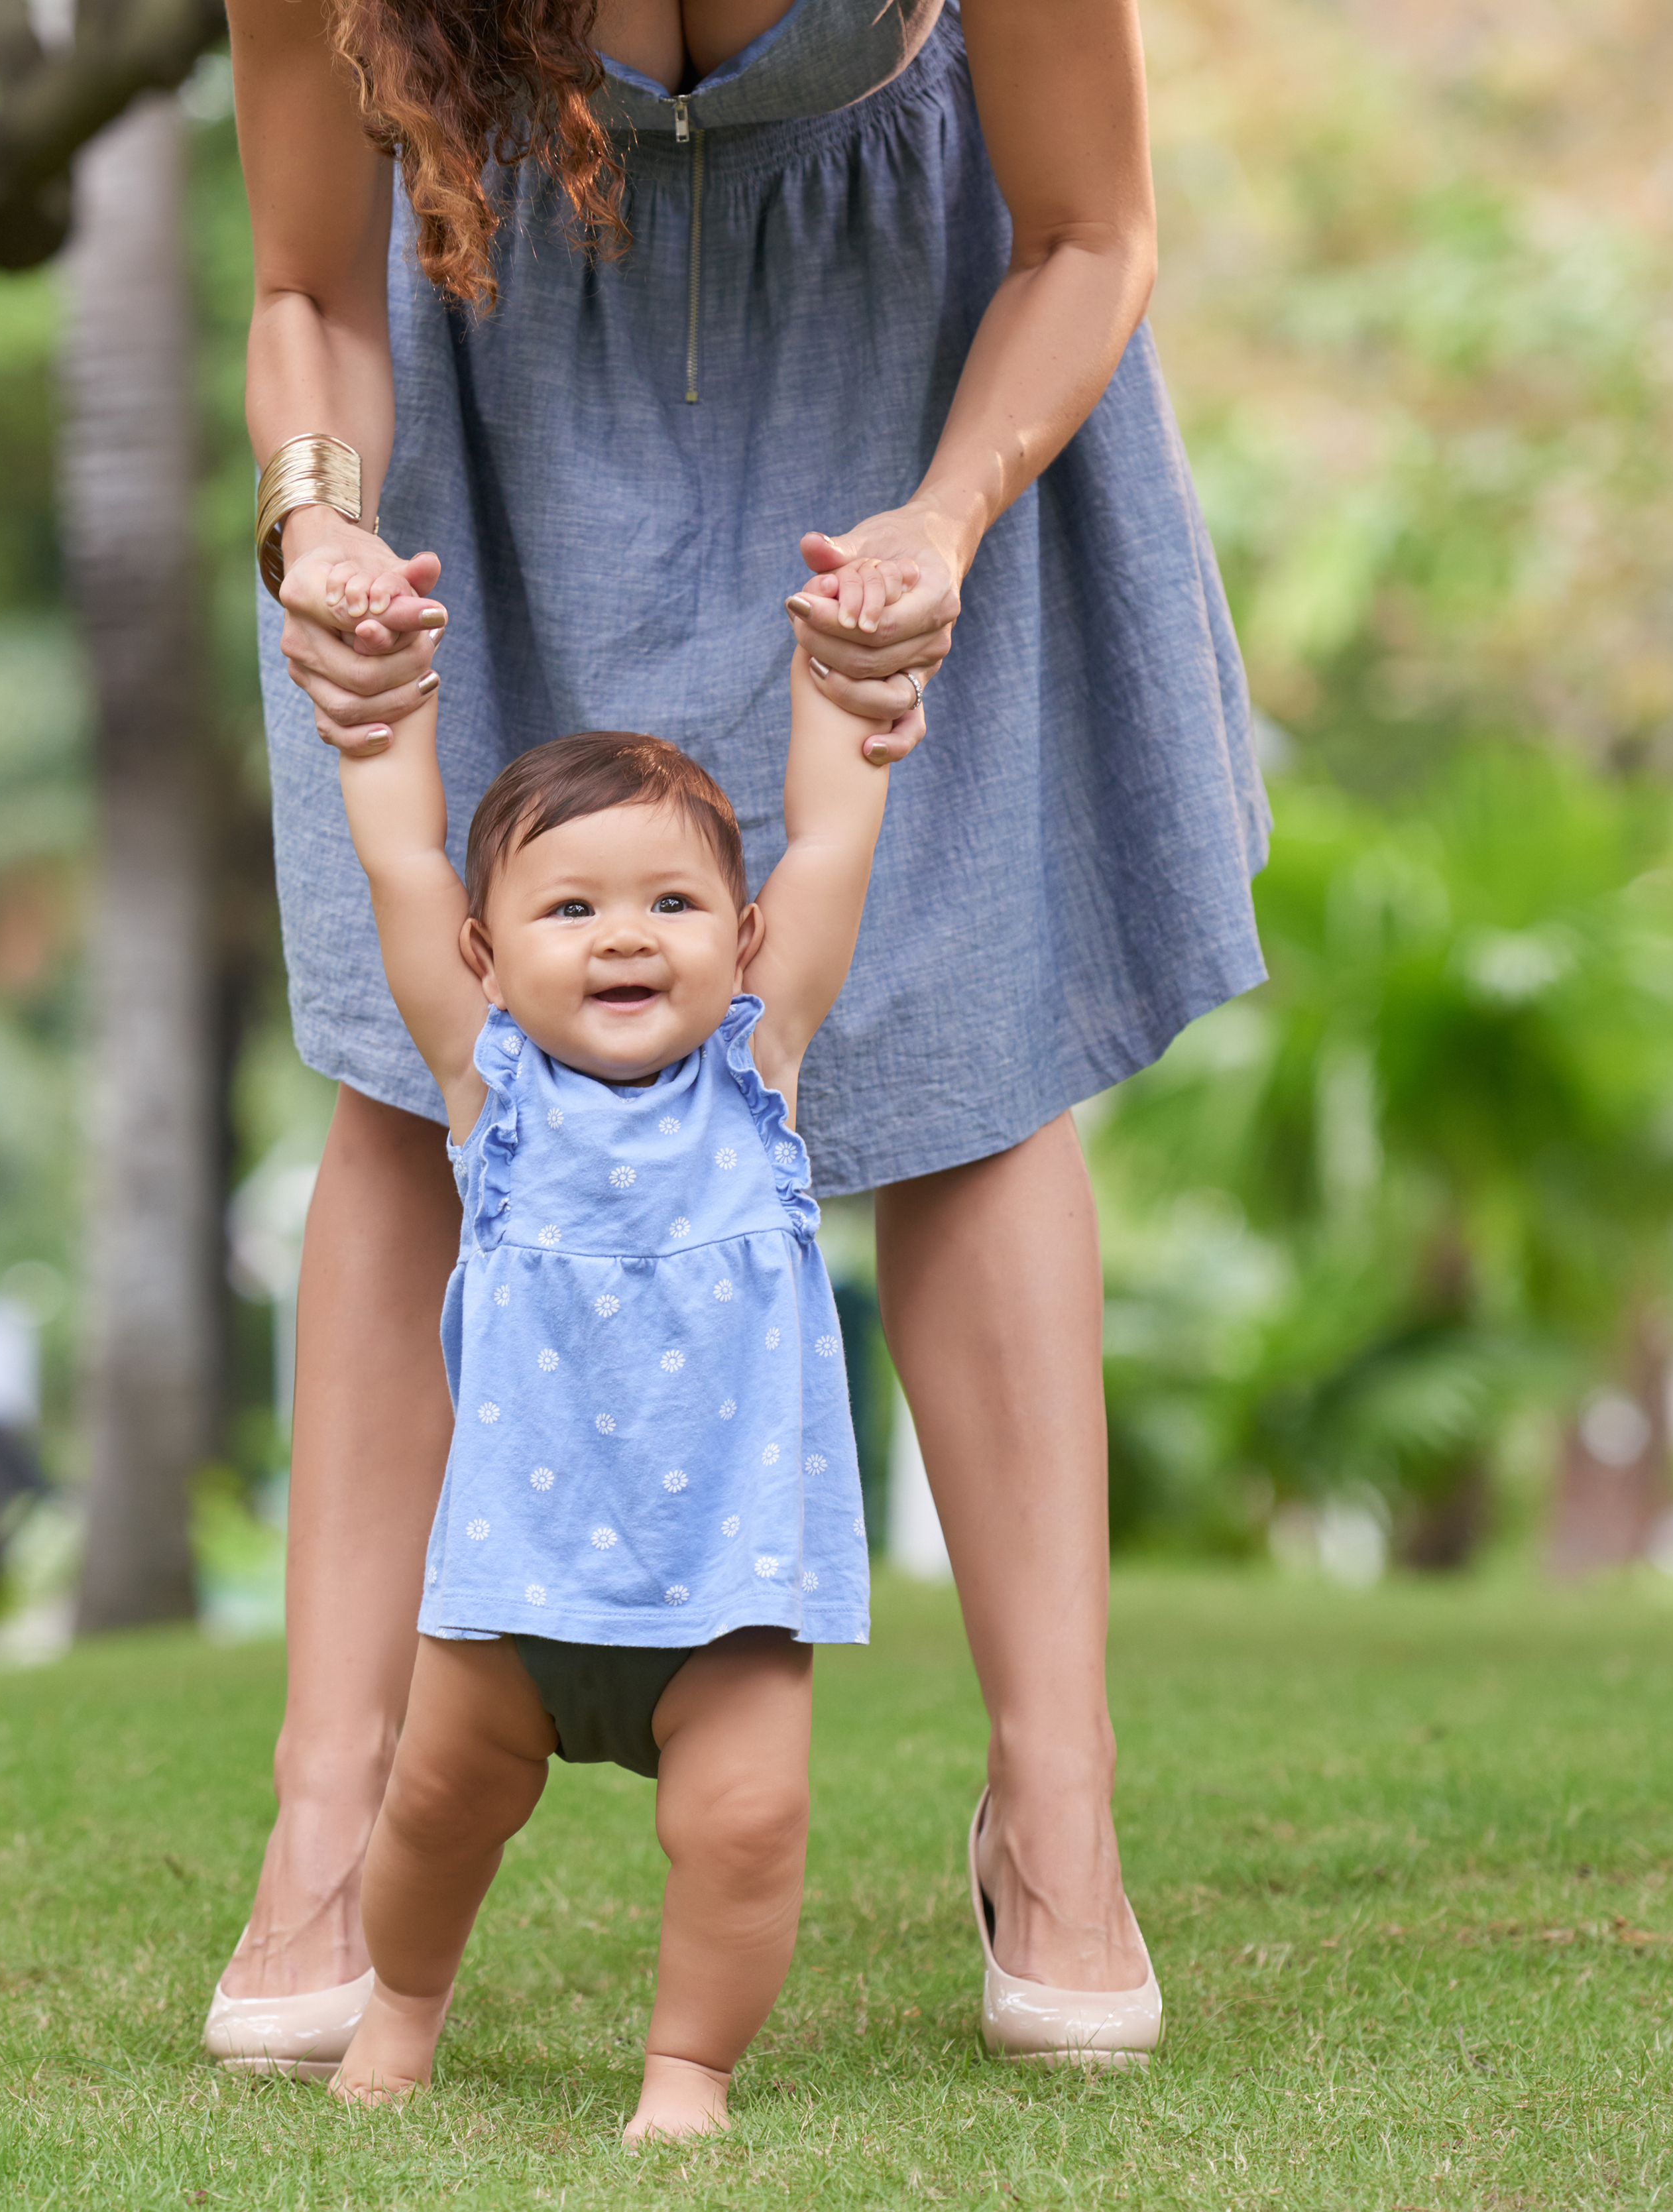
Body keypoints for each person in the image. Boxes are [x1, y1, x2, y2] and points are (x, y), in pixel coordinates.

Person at [210, 0, 1267, 2072]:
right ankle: (326, 1821)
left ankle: (1057, 1815)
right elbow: (305, 283)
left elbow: (1090, 234)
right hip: (490, 403)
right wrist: (316, 516)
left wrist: (947, 521)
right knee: (417, 1088)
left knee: (969, 1056)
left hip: (919, 388)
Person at [319, 558, 901, 2140]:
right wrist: (382, 711)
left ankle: (686, 2071)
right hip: (512, 1592)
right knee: (436, 1809)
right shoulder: (491, 1099)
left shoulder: (756, 1085)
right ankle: (401, 2002)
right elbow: (391, 867)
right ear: (486, 956)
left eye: (670, 904)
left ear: (742, 934)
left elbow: (834, 840)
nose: (624, 937)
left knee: (751, 1821)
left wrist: (841, 689)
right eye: (568, 908)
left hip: (729, 1587)